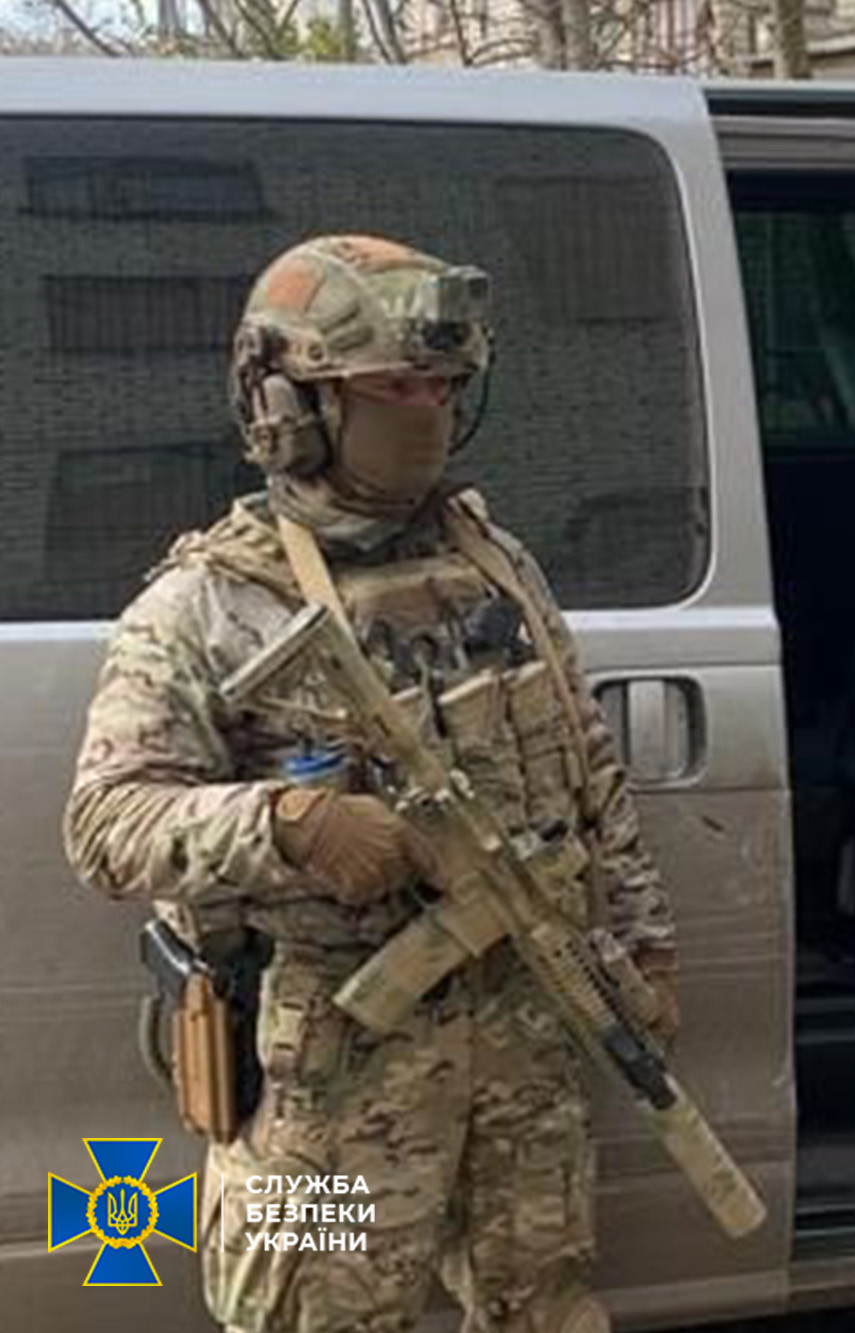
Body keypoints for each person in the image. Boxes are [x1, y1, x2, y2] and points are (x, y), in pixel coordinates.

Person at [64, 235, 678, 1333]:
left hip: (523, 1041)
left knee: (544, 1306)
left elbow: (587, 767)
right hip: (335, 1075)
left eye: (443, 387)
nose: (427, 411)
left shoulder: (494, 562)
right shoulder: (206, 604)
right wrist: (287, 821)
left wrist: (641, 945)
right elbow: (108, 823)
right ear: (290, 405)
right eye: (393, 387)